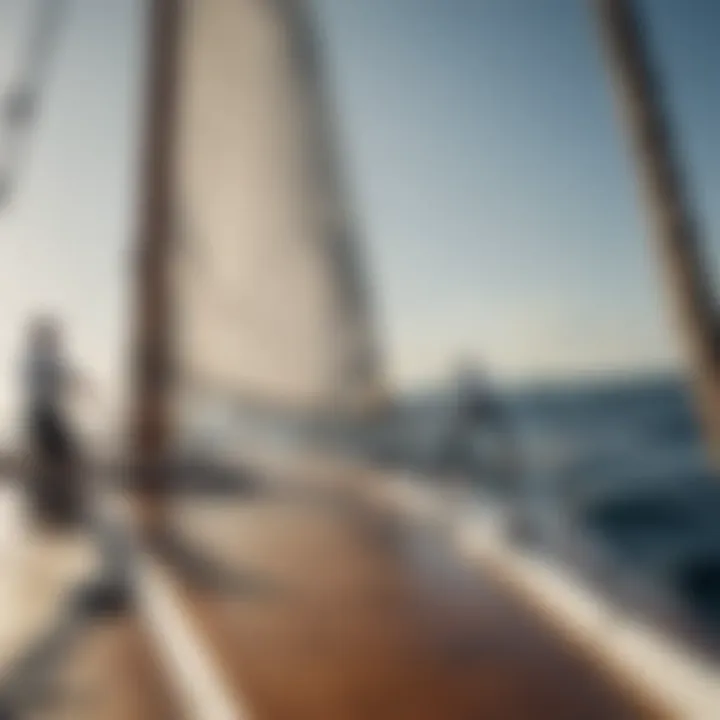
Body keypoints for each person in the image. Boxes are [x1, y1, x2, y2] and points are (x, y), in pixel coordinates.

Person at [21, 315, 86, 527]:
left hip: (41, 415)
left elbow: (64, 378)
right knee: (61, 456)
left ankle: (48, 507)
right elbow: (64, 377)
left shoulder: (38, 359)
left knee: (55, 456)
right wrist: (81, 384)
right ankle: (50, 507)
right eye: (52, 336)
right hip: (44, 415)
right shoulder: (42, 359)